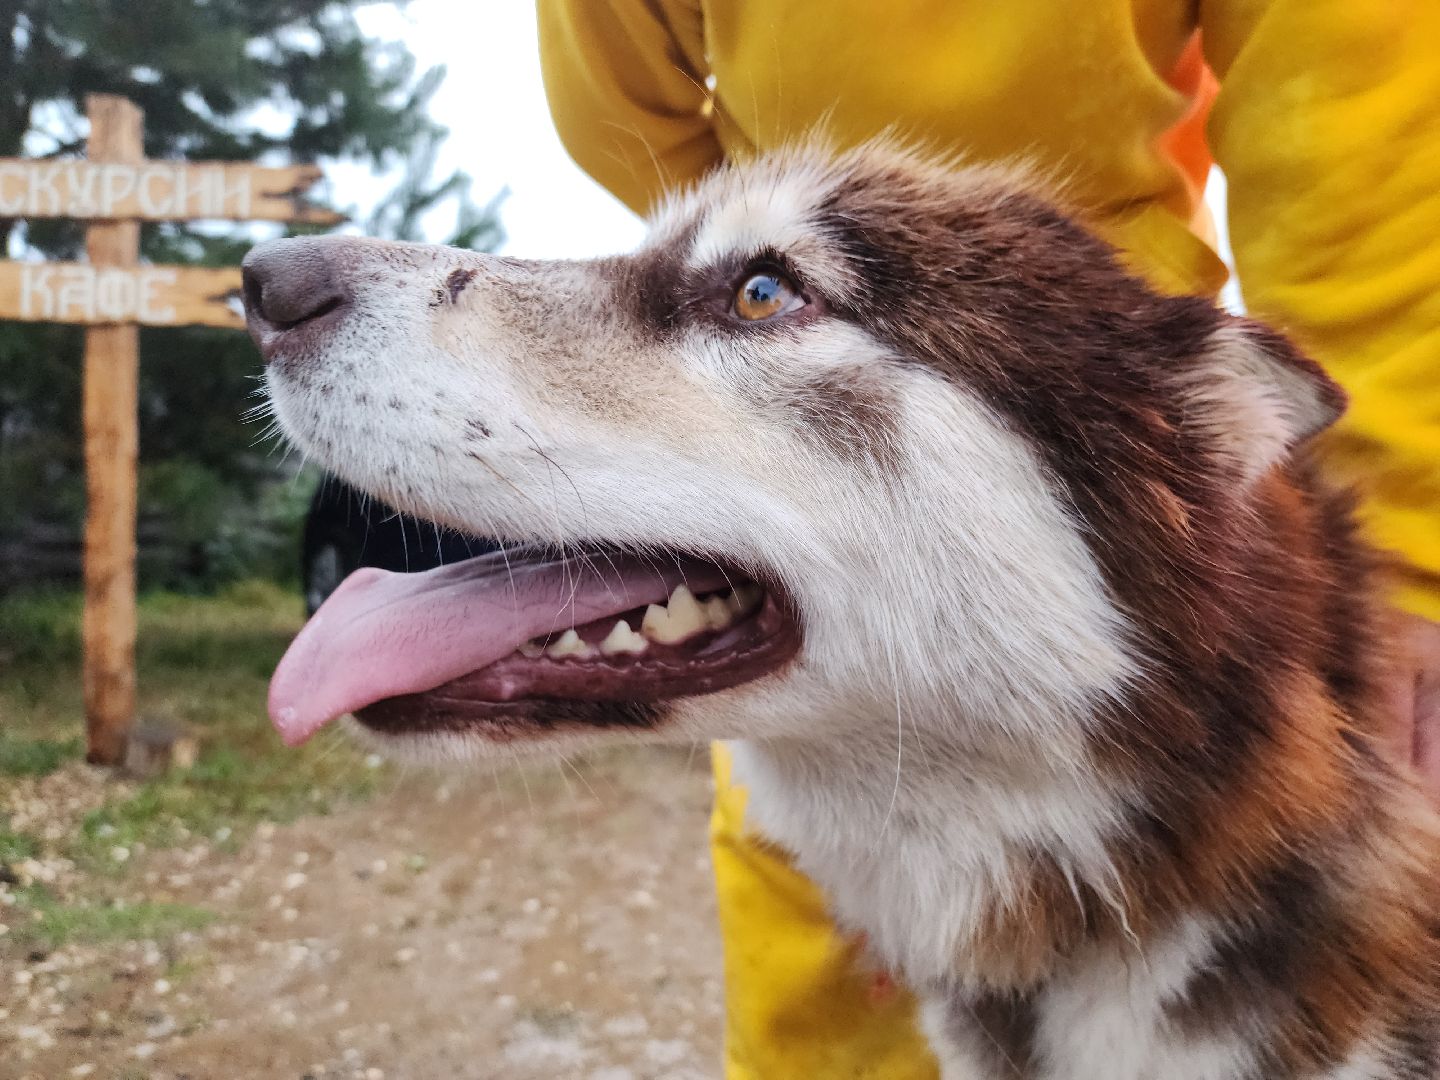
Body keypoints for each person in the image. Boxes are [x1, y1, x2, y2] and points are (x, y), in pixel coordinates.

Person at [535, 3, 1440, 1075]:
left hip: (1113, 421)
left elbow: (1349, 111)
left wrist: (1408, 552)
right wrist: (748, 302)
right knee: (838, 931)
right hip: (912, 407)